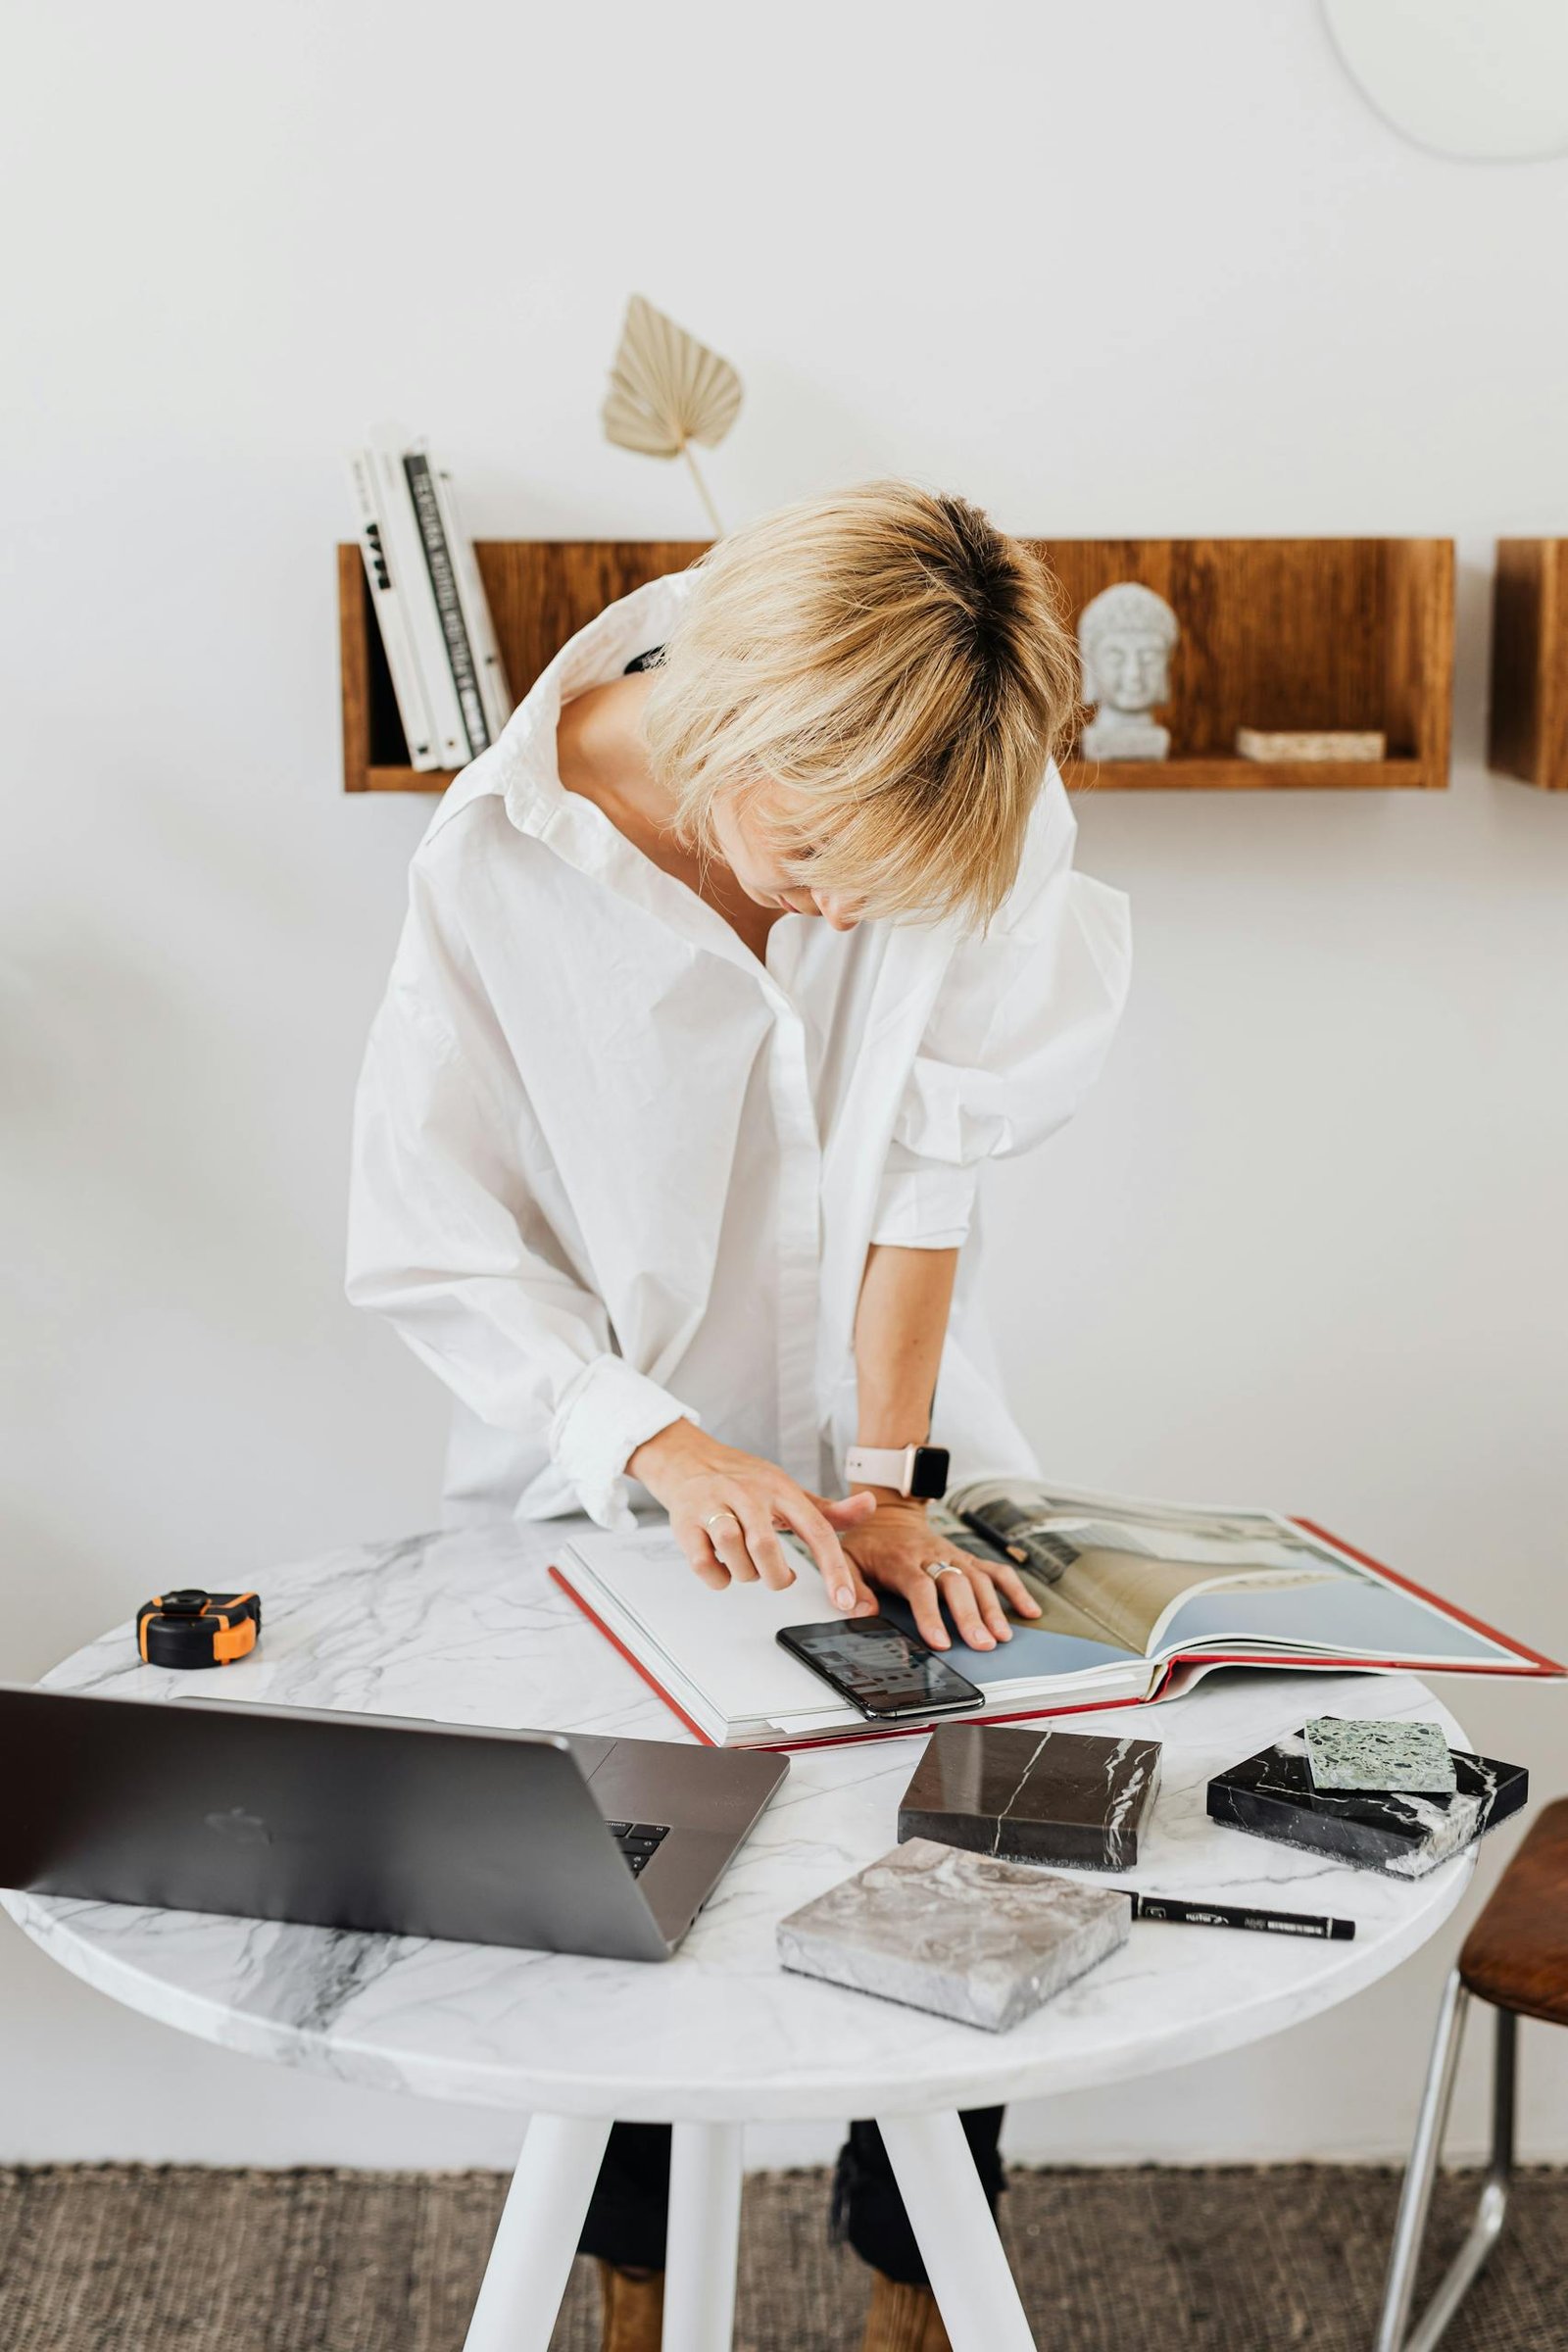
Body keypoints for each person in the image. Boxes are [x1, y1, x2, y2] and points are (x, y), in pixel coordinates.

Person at [346, 481, 1131, 2352]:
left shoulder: (969, 777)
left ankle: (915, 2292)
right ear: (741, 729)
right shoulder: (494, 860)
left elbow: (930, 1178)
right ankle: (636, 2301)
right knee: (631, 1911)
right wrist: (654, 1442)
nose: (853, 913)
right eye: (819, 865)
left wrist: (884, 1485)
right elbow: (435, 1245)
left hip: (912, 1447)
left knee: (978, 1865)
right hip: (606, 1489)